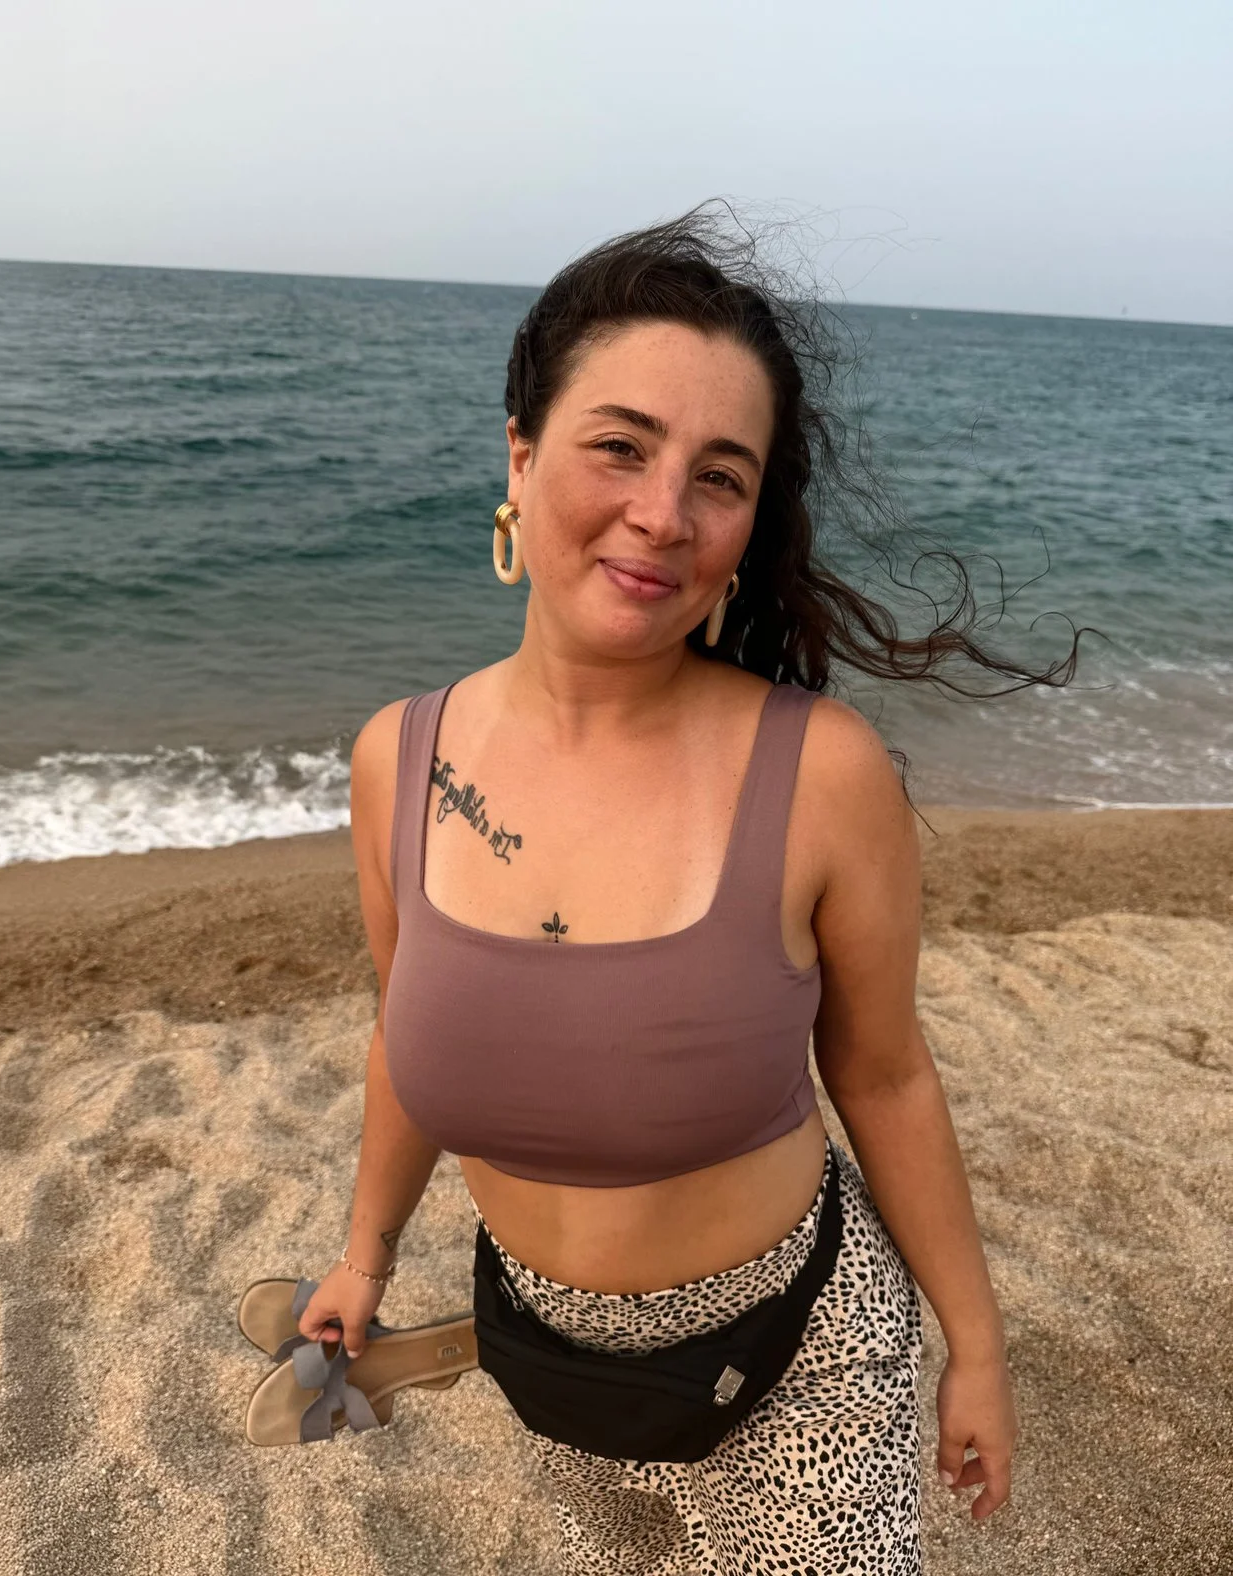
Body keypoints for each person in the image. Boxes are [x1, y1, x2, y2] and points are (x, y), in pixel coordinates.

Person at [301, 210, 1076, 1573]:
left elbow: (888, 1078)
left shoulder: (821, 775)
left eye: (721, 477)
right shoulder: (399, 760)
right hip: (544, 1363)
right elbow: (405, 1043)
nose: (664, 513)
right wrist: (364, 1258)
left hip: (799, 1361)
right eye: (620, 446)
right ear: (522, 459)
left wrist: (977, 1346)